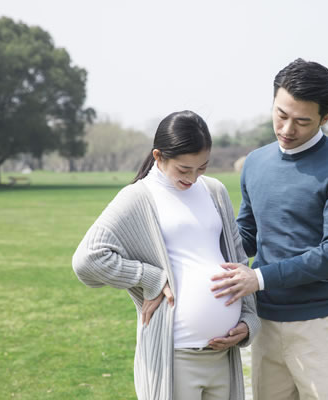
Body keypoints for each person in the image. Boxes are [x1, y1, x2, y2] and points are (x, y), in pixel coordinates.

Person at [72, 110, 260, 400]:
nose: (193, 178)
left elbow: (238, 261)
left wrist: (248, 320)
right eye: (184, 169)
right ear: (158, 156)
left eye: (202, 168)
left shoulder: (215, 191)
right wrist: (152, 279)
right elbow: (87, 259)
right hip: (175, 357)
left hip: (222, 357)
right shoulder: (138, 197)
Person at [210, 59, 328, 400]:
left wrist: (259, 278)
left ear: (325, 118)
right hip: (264, 324)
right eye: (281, 115)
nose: (286, 129)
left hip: (322, 325)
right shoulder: (255, 162)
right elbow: (246, 235)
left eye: (302, 121)